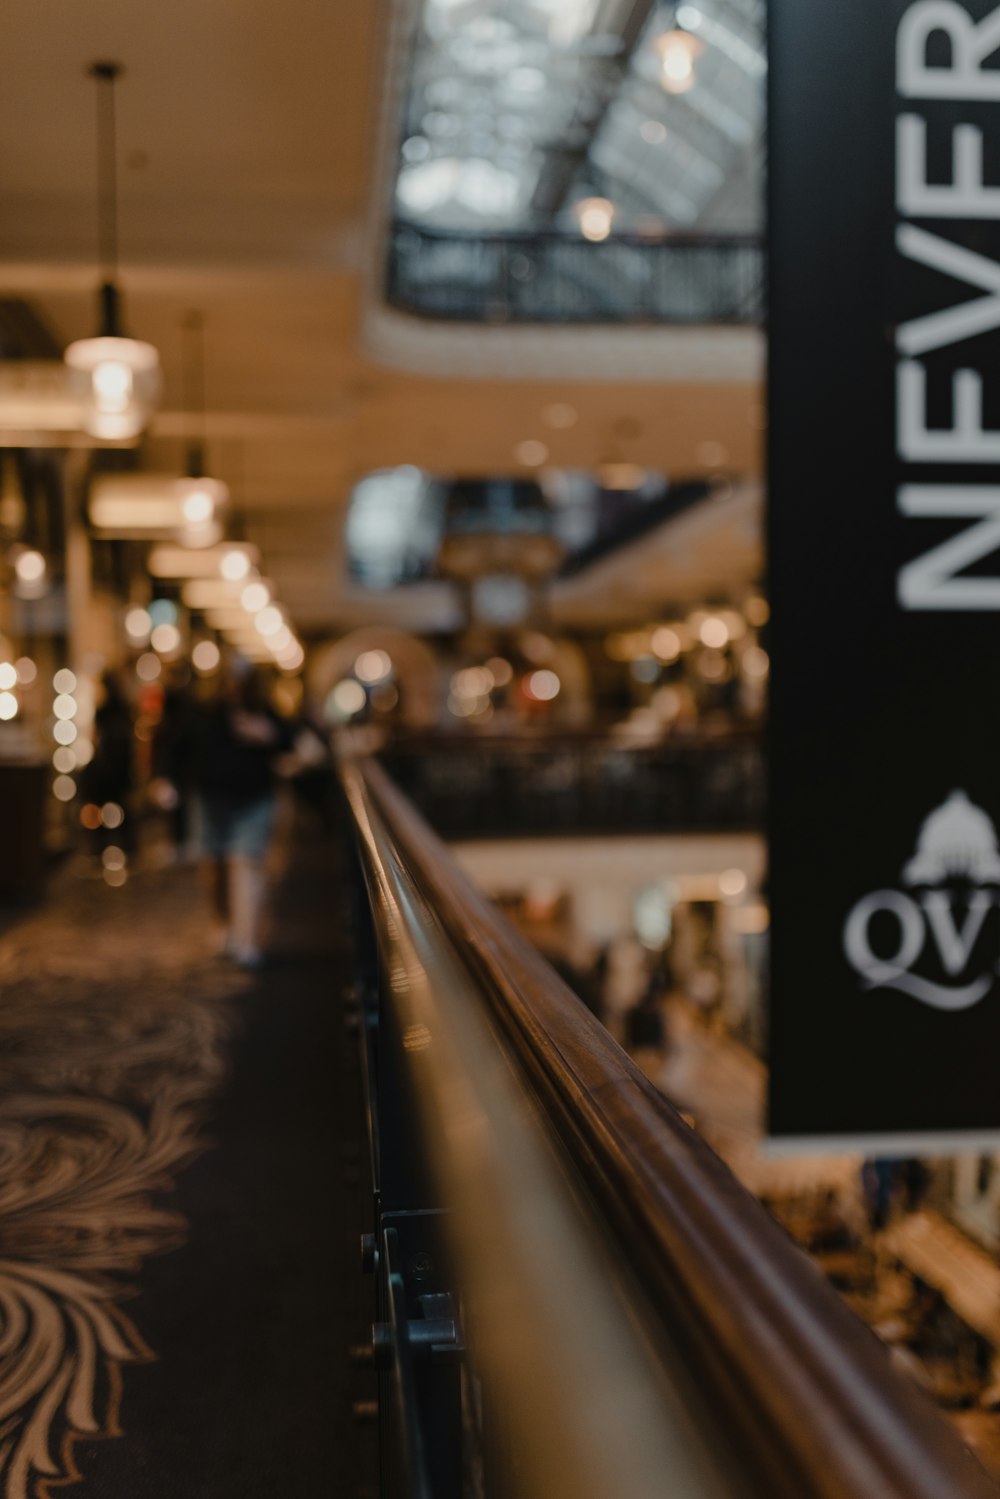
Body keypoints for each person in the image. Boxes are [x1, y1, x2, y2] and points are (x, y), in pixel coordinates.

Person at [187, 658, 292, 968]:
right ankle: (223, 925)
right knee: (214, 869)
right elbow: (182, 744)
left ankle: (246, 939)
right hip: (211, 799)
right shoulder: (206, 712)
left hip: (254, 798)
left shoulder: (264, 712)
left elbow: (290, 739)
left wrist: (267, 735)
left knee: (245, 863)